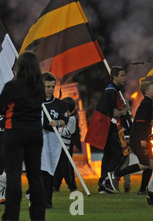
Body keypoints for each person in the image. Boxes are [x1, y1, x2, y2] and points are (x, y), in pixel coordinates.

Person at [0, 51, 46, 221]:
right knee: (35, 174)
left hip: (14, 131)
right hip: (35, 133)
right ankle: (38, 216)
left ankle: (11, 216)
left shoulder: (13, 86)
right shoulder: (39, 88)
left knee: (13, 174)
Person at [105, 80, 153, 204]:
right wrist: (143, 139)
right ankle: (117, 174)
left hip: (142, 138)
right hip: (139, 139)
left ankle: (143, 190)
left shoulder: (149, 103)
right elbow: (140, 123)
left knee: (150, 163)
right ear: (147, 91)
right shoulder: (146, 104)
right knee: (146, 165)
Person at [85, 66, 130, 194]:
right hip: (109, 128)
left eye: (124, 75)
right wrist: (125, 110)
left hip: (106, 128)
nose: (124, 78)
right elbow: (115, 113)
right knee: (119, 154)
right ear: (114, 77)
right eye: (121, 75)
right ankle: (105, 180)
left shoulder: (111, 91)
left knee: (108, 155)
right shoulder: (111, 92)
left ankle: (103, 185)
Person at [40, 72, 68, 208]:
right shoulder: (35, 102)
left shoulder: (59, 104)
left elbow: (65, 120)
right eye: (47, 86)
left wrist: (57, 123)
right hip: (38, 140)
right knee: (40, 171)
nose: (50, 89)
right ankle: (38, 199)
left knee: (50, 171)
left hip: (53, 141)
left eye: (52, 86)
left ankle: (48, 201)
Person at [53, 97, 78, 192]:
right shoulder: (62, 118)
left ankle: (72, 185)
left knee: (66, 167)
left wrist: (57, 128)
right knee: (58, 167)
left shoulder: (72, 119)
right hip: (59, 146)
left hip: (66, 147)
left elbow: (68, 131)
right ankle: (55, 185)